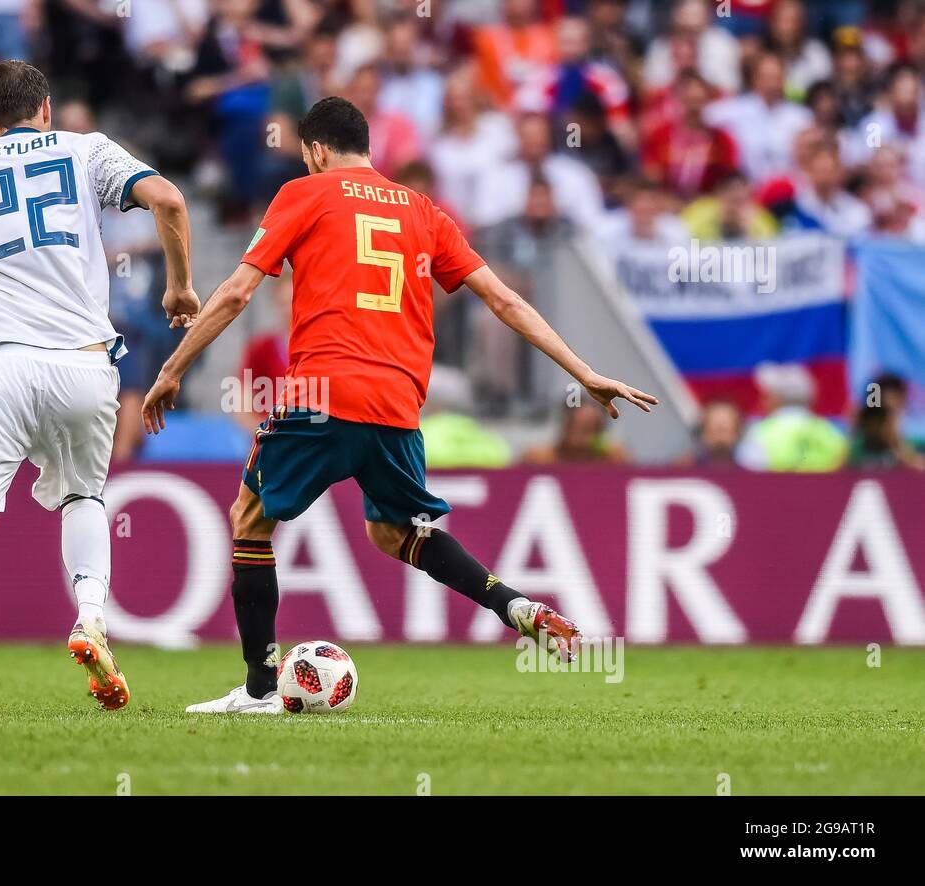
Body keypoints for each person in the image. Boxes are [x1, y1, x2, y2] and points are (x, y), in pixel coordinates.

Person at [141, 97, 658, 714]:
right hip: (399, 405)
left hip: (322, 392)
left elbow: (234, 294)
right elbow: (505, 301)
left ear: (315, 151)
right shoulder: (423, 210)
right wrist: (587, 373)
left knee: (251, 520)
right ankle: (514, 605)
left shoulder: (303, 195)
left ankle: (258, 686)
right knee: (396, 533)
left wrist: (172, 369)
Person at [0, 60, 200, 716]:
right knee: (82, 496)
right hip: (84, 365)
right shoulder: (85, 148)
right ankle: (90, 617)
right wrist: (177, 285)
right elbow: (171, 201)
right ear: (46, 109)